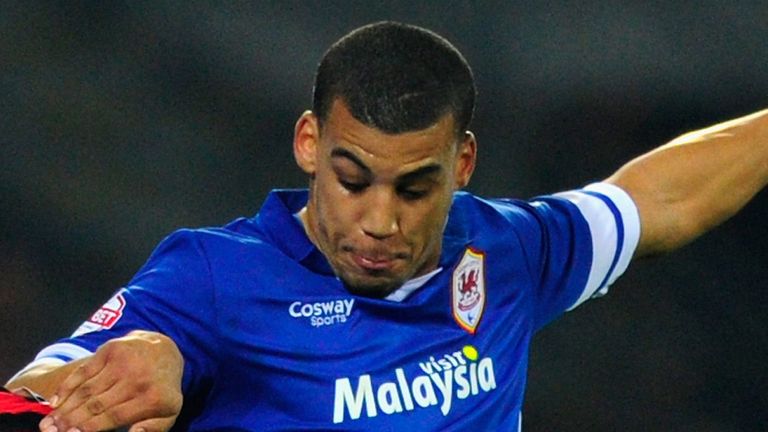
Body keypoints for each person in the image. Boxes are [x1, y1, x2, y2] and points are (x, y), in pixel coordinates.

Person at [5, 21, 767, 431]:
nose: (378, 221)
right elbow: (25, 398)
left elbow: (655, 201)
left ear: (462, 164)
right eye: (352, 179)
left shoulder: (509, 251)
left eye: (414, 188)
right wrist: (126, 374)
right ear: (310, 143)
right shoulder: (211, 278)